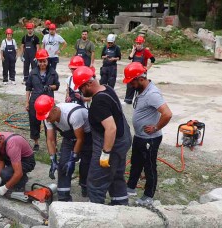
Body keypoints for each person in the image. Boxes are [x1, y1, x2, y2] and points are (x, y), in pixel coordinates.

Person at [73, 66, 132, 205]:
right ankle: (121, 206)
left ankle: (96, 217)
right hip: (123, 140)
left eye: (81, 88)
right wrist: (84, 98)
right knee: (117, 176)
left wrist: (105, 153)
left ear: (88, 84)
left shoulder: (99, 103)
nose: (81, 90)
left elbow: (110, 128)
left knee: (95, 183)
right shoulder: (107, 89)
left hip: (111, 145)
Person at [123, 62, 172, 206]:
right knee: (135, 163)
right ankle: (131, 188)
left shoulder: (152, 94)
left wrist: (156, 127)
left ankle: (148, 196)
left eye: (132, 81)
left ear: (140, 78)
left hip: (150, 139)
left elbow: (167, 114)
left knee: (149, 166)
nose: (130, 85)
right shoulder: (141, 90)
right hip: (140, 136)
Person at [34, 95, 92, 200]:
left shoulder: (74, 114)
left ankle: (85, 187)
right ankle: (63, 197)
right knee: (63, 165)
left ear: (55, 109)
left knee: (86, 164)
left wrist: (73, 158)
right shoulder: (48, 117)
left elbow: (80, 139)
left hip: (87, 136)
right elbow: (50, 139)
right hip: (69, 136)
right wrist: (53, 159)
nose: (47, 120)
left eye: (48, 117)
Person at [0, 128, 36, 196]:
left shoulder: (12, 146)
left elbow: (18, 173)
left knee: (5, 174)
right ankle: (8, 180)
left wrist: (5, 188)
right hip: (12, 157)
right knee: (2, 174)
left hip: (27, 161)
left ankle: (21, 182)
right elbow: (0, 160)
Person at [26, 49, 60, 151]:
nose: (42, 63)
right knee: (34, 122)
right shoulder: (33, 73)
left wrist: (50, 87)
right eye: (40, 61)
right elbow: (28, 88)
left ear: (47, 61)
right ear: (37, 61)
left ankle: (52, 142)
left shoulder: (53, 72)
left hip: (48, 101)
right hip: (35, 101)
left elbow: (57, 86)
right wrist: (27, 102)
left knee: (50, 122)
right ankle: (36, 143)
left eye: (44, 61)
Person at [124, 36, 156, 104]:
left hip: (141, 73)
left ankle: (141, 102)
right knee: (130, 85)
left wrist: (147, 67)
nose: (138, 45)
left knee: (141, 87)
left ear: (142, 44)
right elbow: (130, 58)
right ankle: (128, 101)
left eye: (140, 44)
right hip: (133, 73)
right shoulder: (134, 51)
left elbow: (153, 59)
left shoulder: (145, 51)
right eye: (137, 43)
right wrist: (133, 50)